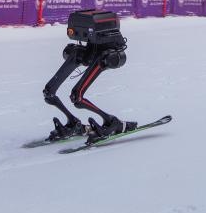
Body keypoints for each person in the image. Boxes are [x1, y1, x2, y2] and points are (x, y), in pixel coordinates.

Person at [42, 10, 136, 142]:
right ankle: (74, 123)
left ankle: (112, 122)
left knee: (77, 97)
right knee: (49, 92)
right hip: (93, 52)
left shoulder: (104, 51)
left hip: (106, 56)